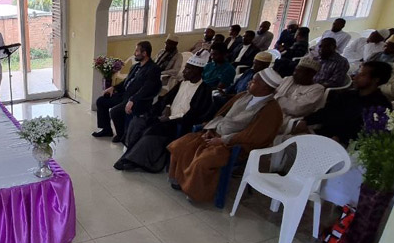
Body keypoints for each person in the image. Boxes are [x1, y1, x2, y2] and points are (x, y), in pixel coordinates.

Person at [168, 69, 284, 202]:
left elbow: (252, 136)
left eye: (253, 81)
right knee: (179, 146)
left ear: (265, 87)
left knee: (202, 161)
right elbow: (221, 115)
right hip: (214, 134)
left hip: (232, 145)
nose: (249, 82)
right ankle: (179, 180)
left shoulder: (271, 110)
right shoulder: (242, 96)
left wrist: (222, 140)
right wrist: (210, 129)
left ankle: (195, 192)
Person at [114, 53, 213, 172]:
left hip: (180, 122)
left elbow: (193, 114)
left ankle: (134, 160)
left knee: (151, 131)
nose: (184, 71)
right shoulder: (183, 83)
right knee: (139, 121)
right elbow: (166, 98)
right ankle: (130, 154)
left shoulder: (204, 90)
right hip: (167, 115)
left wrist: (170, 118)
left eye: (188, 69)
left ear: (198, 70)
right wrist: (166, 106)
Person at [296, 61, 393, 146]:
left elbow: (363, 131)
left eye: (362, 75)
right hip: (322, 135)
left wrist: (340, 138)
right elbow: (328, 111)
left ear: (376, 80)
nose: (356, 77)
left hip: (344, 145)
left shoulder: (381, 105)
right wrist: (306, 120)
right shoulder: (348, 94)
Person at [92, 41, 161, 142]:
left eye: (137, 51)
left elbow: (147, 89)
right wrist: (113, 88)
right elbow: (126, 82)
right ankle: (106, 129)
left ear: (144, 53)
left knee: (115, 111)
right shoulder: (136, 66)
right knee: (101, 101)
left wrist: (133, 99)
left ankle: (122, 135)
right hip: (124, 95)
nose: (134, 53)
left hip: (137, 100)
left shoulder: (153, 69)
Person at [274, 57, 326, 126]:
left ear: (311, 75)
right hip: (271, 110)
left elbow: (296, 109)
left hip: (286, 119)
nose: (294, 73)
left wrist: (277, 97)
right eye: (295, 70)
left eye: (299, 71)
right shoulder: (289, 79)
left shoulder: (317, 89)